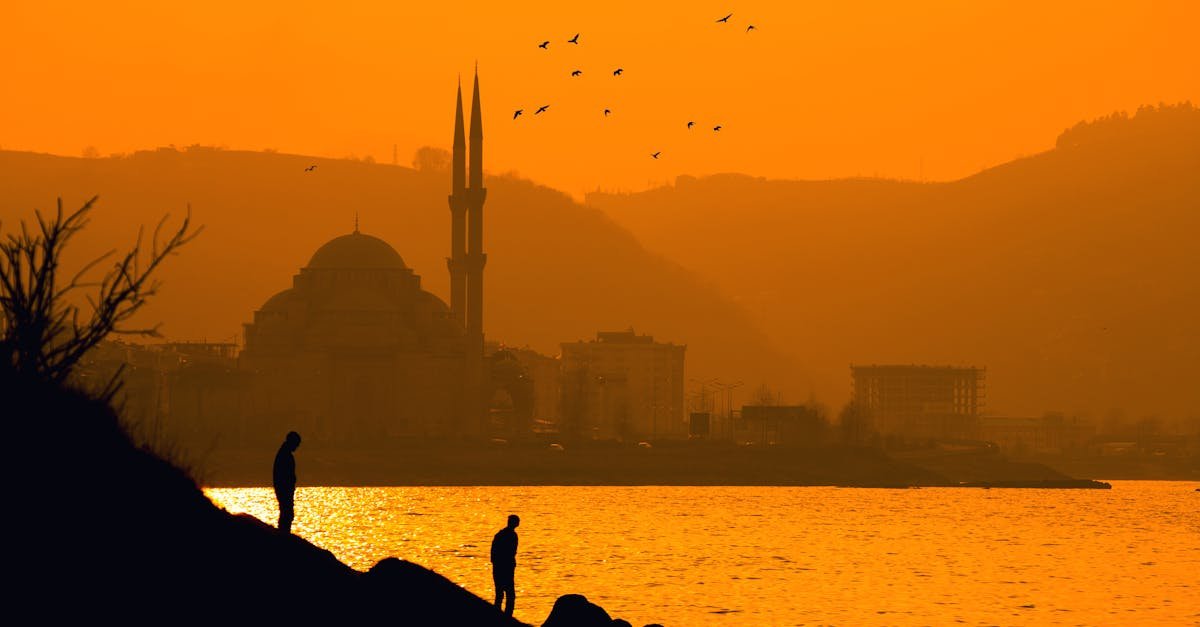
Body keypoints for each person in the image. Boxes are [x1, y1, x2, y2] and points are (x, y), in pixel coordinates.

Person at [490, 514, 520, 616]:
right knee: (510, 594)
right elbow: (512, 552)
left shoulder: (499, 534)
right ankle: (507, 617)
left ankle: (497, 614)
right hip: (506, 567)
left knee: (499, 593)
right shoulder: (512, 536)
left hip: (498, 566)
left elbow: (493, 553)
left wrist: (496, 563)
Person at [273, 431, 301, 533]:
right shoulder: (285, 455)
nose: (297, 447)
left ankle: (283, 533)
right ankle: (283, 534)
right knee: (287, 513)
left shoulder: (284, 453)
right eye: (296, 444)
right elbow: (284, 476)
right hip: (284, 490)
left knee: (286, 513)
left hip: (284, 490)